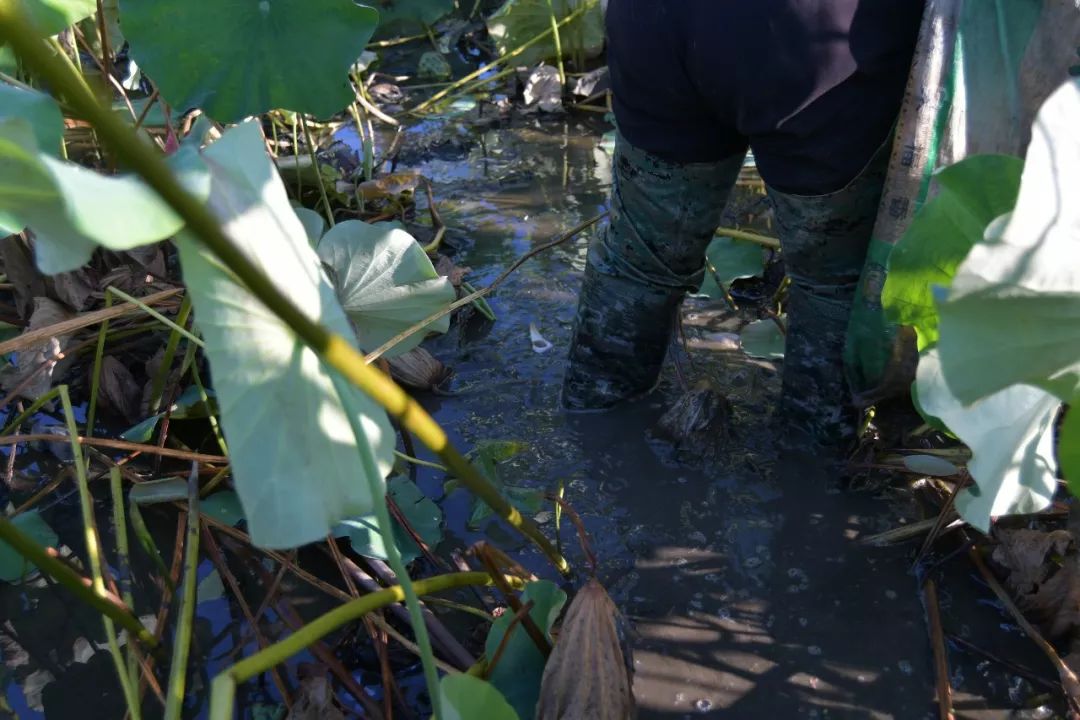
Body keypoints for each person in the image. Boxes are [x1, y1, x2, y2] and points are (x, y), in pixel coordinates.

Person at [562, 0, 925, 450]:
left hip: (651, 23)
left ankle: (586, 439)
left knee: (638, 263)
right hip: (814, 41)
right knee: (832, 285)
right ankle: (813, 488)